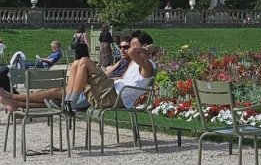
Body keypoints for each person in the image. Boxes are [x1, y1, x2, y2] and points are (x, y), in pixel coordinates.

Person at [0, 37, 134, 112]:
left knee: (56, 93)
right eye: (120, 47)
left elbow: (121, 79)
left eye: (126, 47)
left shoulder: (133, 64)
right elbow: (105, 74)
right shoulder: (122, 62)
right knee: (55, 99)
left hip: (101, 93)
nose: (122, 50)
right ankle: (16, 103)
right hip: (95, 87)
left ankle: (14, 97)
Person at [46, 30, 155, 117]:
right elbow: (124, 77)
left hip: (114, 97)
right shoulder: (134, 62)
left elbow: (131, 52)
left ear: (144, 46)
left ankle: (71, 105)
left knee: (85, 60)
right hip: (109, 91)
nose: (130, 48)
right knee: (76, 63)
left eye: (133, 44)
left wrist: (146, 49)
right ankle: (67, 102)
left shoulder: (148, 66)